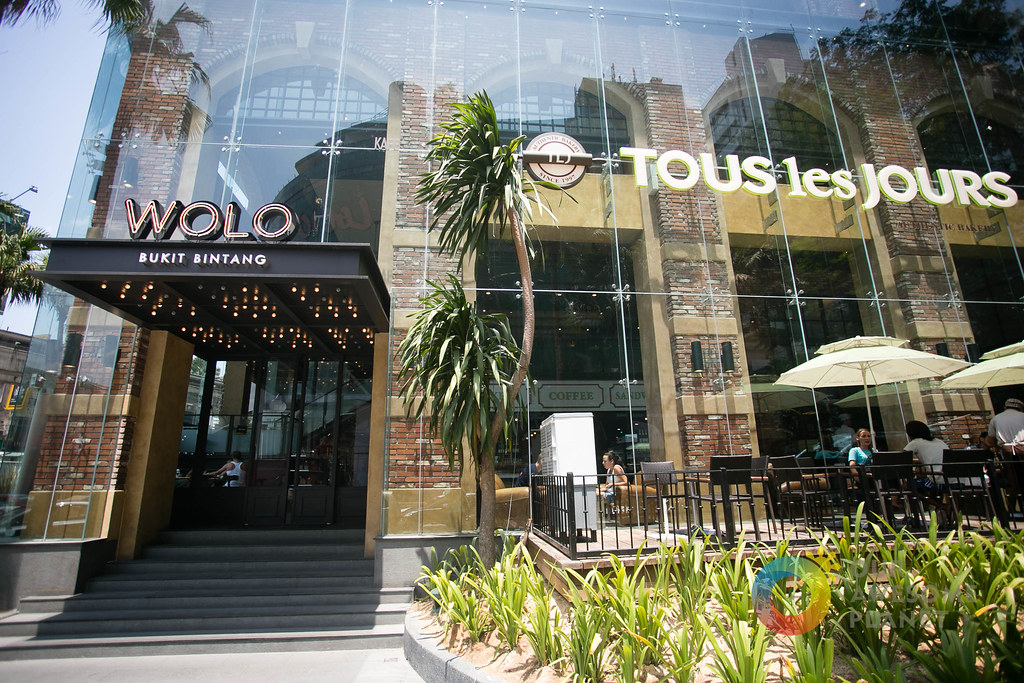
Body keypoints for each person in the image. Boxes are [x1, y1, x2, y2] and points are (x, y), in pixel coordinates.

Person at [903, 420, 947, 492]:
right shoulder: (939, 441)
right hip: (957, 480)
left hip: (939, 482)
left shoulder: (915, 443)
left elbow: (901, 458)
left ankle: (934, 500)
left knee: (908, 485)